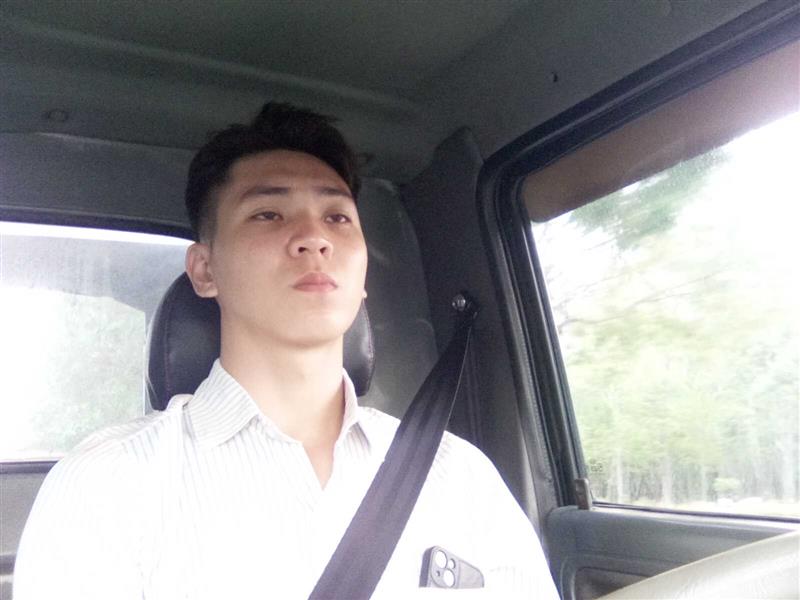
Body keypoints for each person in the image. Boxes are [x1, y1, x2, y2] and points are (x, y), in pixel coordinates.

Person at [13, 103, 559, 599]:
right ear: (205, 270)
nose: (314, 238)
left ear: (362, 275)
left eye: (338, 218)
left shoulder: (459, 474)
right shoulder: (108, 485)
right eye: (268, 215)